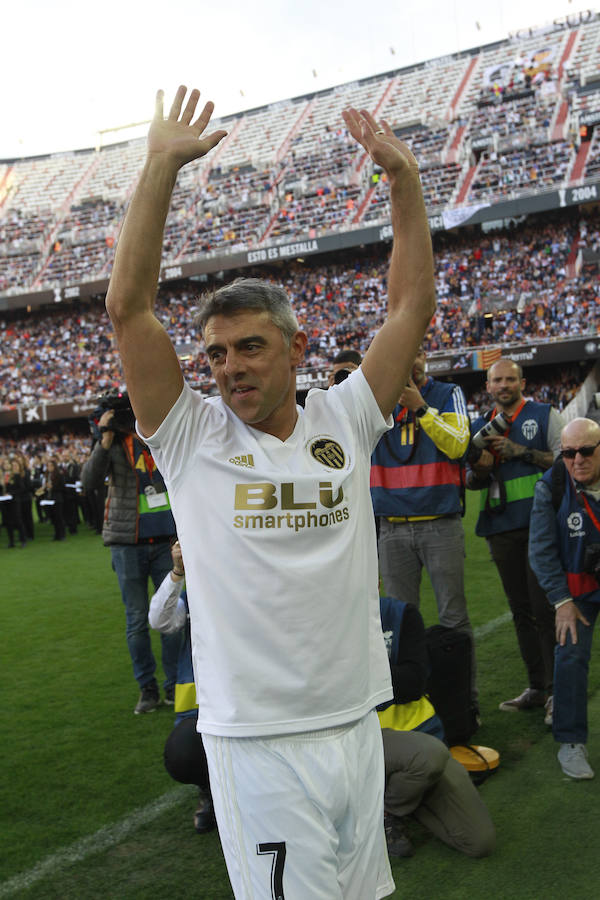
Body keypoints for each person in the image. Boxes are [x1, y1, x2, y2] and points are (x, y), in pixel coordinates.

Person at [104, 84, 436, 899]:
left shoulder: (346, 417)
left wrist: (404, 183)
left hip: (356, 720)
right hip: (256, 742)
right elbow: (127, 309)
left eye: (249, 347)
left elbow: (410, 307)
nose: (229, 368)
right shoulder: (191, 437)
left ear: (294, 347)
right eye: (215, 355)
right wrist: (159, 168)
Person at [371, 345, 478, 710]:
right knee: (398, 624)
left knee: (453, 617)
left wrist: (420, 407)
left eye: (414, 354)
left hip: (439, 524)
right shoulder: (377, 401)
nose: (409, 361)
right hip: (392, 529)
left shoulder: (448, 394)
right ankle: (408, 709)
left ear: (423, 358)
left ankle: (465, 705)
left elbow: (459, 445)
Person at [466, 358, 561, 721]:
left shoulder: (544, 414)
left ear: (522, 382)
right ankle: (537, 687)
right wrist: (482, 467)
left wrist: (521, 452)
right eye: (497, 380)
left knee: (544, 610)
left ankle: (555, 691)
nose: (504, 385)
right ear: (488, 387)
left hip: (541, 526)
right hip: (500, 526)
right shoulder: (480, 427)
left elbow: (568, 461)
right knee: (521, 611)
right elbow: (470, 481)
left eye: (510, 379)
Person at [81, 401, 181, 715]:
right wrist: (104, 437)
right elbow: (88, 482)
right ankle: (147, 688)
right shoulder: (110, 443)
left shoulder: (157, 436)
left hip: (166, 539)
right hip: (127, 543)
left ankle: (175, 685)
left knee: (172, 617)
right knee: (136, 620)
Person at [378, 596, 495, 859]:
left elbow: (413, 684)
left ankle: (393, 804)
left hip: (418, 736)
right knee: (428, 757)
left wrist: (358, 666)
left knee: (479, 840)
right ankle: (388, 808)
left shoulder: (399, 613)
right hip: (359, 740)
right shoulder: (322, 620)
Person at [529, 417, 600, 779]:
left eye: (586, 451)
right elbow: (540, 550)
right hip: (577, 592)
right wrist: (561, 602)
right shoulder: (552, 485)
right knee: (569, 652)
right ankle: (571, 743)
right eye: (569, 453)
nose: (578, 460)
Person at [149, 539, 216, 833]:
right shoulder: (195, 598)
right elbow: (159, 621)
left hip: (253, 706)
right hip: (200, 714)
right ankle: (209, 791)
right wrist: (177, 573)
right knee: (183, 753)